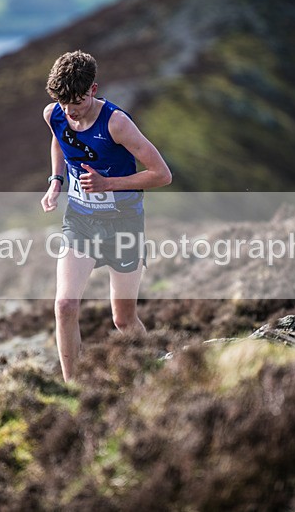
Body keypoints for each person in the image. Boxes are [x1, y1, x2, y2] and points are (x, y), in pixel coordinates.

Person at [40, 50, 172, 381]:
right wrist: (56, 181)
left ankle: (156, 373)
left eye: (78, 102)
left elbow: (161, 174)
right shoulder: (54, 114)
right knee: (65, 306)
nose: (70, 110)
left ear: (94, 90)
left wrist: (107, 184)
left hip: (123, 225)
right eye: (63, 102)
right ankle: (73, 388)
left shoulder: (117, 123)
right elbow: (59, 141)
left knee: (123, 320)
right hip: (80, 221)